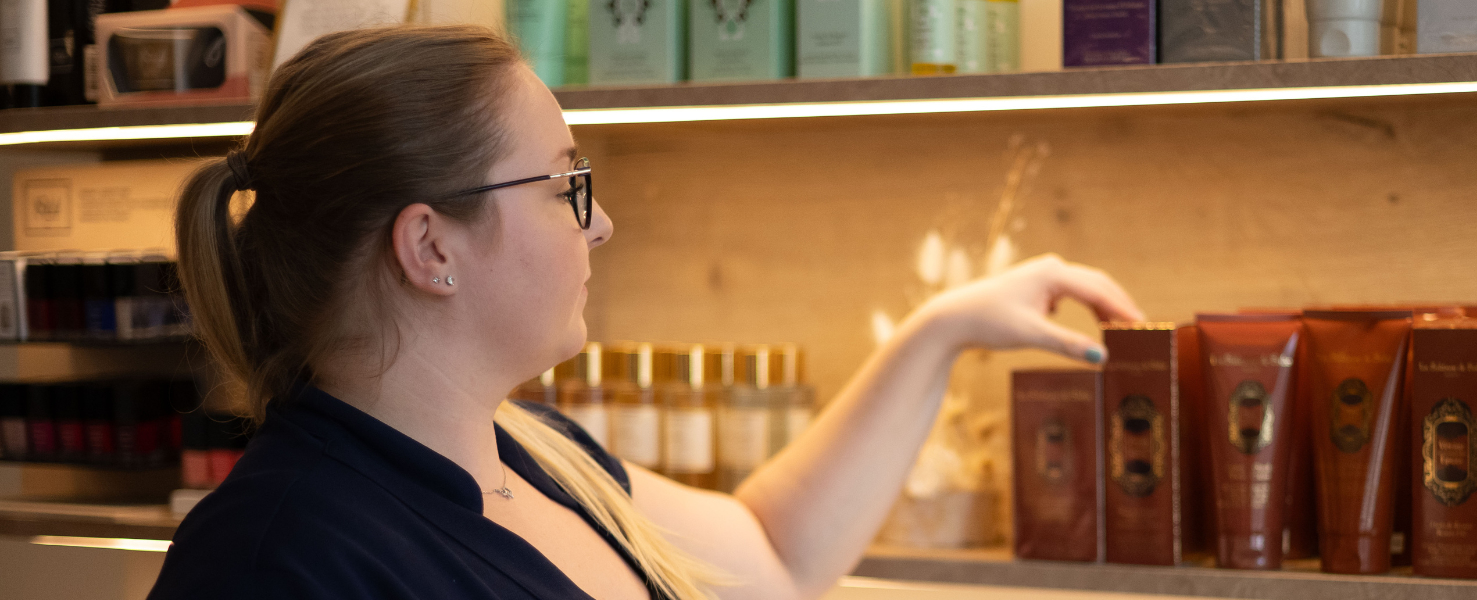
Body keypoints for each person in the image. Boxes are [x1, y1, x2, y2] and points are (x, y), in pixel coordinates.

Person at [146, 25, 1142, 600]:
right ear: (431, 248)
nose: (601, 223)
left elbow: (775, 558)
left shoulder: (538, 452)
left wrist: (944, 329)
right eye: (565, 184)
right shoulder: (273, 558)